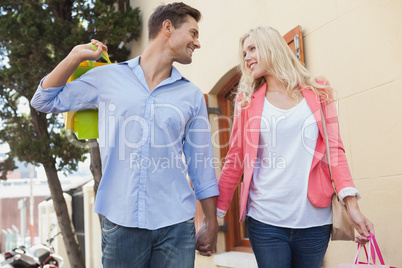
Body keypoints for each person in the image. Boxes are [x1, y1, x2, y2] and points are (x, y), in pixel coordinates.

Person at [31, 2, 219, 267]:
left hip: (176, 226)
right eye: (193, 33)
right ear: (167, 28)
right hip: (121, 223)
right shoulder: (107, 77)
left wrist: (212, 222)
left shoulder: (191, 95)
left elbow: (201, 163)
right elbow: (43, 101)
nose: (197, 43)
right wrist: (74, 56)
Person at [216, 26, 374, 268]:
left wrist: (352, 206)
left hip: (315, 221)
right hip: (265, 219)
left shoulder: (319, 91)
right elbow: (235, 158)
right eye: (244, 52)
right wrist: (214, 214)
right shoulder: (246, 101)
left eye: (252, 48)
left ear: (272, 47)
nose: (246, 57)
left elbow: (335, 151)